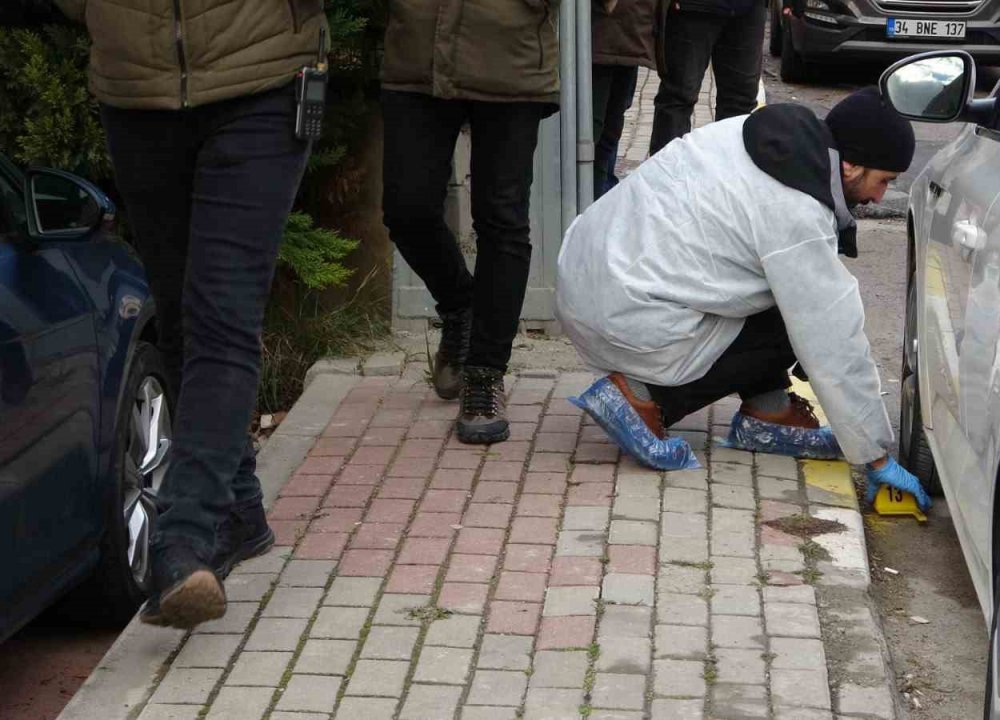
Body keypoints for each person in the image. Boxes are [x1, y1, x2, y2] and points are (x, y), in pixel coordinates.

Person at [46, 0, 327, 627]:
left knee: (221, 315)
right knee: (178, 313)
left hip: (263, 77)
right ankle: (239, 514)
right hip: (137, 87)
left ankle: (184, 541)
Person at [558, 89, 932, 509]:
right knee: (808, 314)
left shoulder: (753, 134)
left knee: (787, 291)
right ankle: (641, 396)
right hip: (629, 311)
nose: (881, 197)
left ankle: (767, 413)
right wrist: (875, 455)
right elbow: (833, 340)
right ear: (849, 166)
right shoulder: (796, 211)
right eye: (883, 181)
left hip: (587, 275)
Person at [382, 0, 560, 444]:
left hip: (512, 56)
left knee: (502, 219)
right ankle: (461, 307)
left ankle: (484, 374)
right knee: (407, 210)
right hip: (417, 53)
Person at [648, 0, 765, 157]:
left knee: (740, 103)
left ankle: (728, 176)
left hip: (748, 10)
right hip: (693, 8)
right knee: (679, 97)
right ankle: (665, 174)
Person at [592, 0, 661, 198]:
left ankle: (599, 203)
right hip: (603, 33)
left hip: (628, 33)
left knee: (608, 132)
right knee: (595, 136)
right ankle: (593, 206)